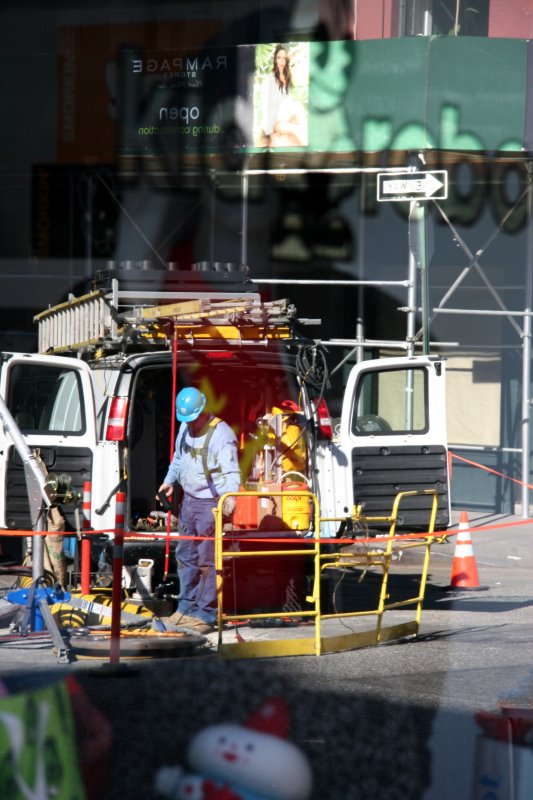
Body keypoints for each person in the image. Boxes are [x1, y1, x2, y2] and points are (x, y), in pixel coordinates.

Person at [157, 387, 241, 634]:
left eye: (193, 419)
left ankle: (205, 614)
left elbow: (231, 472)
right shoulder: (185, 427)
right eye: (187, 420)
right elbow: (178, 458)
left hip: (210, 504)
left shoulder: (221, 435)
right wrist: (169, 481)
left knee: (206, 560)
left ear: (203, 411)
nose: (190, 425)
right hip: (190, 502)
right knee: (186, 556)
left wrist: (229, 500)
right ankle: (185, 609)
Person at [259, 44, 307, 147]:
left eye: (284, 58)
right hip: (276, 123)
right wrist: (270, 132)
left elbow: (288, 104)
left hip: (286, 119)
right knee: (296, 129)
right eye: (279, 58)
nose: (281, 61)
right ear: (275, 60)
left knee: (299, 109)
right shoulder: (270, 78)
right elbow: (267, 106)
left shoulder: (287, 77)